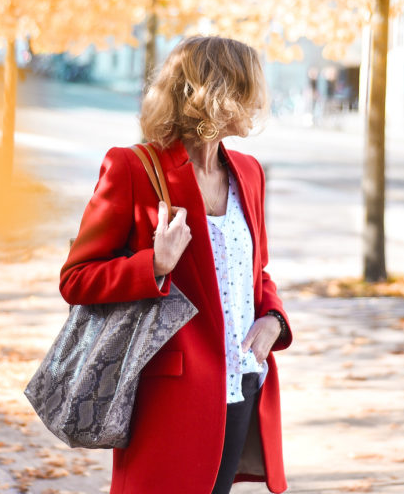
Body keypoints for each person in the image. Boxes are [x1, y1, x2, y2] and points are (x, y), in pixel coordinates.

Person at [59, 36, 292, 494]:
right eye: (248, 90)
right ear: (217, 95)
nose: (258, 104)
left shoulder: (249, 172)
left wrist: (273, 319)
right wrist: (154, 264)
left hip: (241, 382)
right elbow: (76, 279)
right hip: (167, 398)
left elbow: (256, 273)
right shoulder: (131, 168)